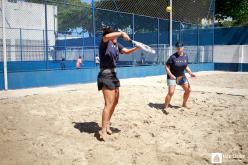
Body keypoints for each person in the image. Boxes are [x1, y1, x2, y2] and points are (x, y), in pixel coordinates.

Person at [97, 26, 140, 141]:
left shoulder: (116, 44)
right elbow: (106, 36)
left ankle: (107, 124)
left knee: (115, 102)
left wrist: (137, 48)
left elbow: (126, 51)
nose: (116, 37)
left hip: (114, 75)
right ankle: (103, 130)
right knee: (108, 103)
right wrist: (121, 33)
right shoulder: (105, 42)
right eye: (114, 35)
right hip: (105, 74)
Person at [164, 41, 196, 114]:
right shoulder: (173, 57)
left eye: (180, 47)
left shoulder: (185, 56)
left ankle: (184, 104)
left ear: (183, 48)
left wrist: (190, 73)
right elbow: (166, 66)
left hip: (181, 76)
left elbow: (186, 66)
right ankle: (166, 107)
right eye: (177, 48)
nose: (178, 49)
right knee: (171, 92)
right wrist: (170, 74)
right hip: (172, 76)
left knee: (188, 90)